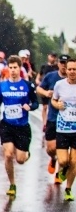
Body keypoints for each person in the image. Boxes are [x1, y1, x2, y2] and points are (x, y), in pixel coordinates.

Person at [0, 56, 38, 196]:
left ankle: (26, 154)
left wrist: (30, 106)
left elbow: (36, 103)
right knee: (8, 154)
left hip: (22, 126)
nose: (13, 70)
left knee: (20, 160)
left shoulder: (27, 85)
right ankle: (12, 184)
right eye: (11, 67)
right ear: (8, 69)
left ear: (20, 68)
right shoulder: (2, 85)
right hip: (7, 125)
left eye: (16, 67)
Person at [38, 55, 69, 183]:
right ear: (58, 64)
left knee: (64, 148)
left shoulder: (72, 78)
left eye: (66, 63)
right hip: (53, 117)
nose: (64, 65)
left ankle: (60, 172)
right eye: (62, 63)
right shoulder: (51, 76)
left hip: (68, 120)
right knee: (51, 148)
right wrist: (46, 93)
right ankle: (53, 158)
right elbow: (39, 88)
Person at [50, 56, 76, 201]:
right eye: (70, 69)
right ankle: (63, 170)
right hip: (63, 128)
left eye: (75, 69)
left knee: (74, 161)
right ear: (66, 70)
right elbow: (54, 100)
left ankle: (68, 189)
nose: (72, 72)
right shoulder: (59, 85)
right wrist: (57, 105)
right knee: (64, 160)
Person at [37, 52, 60, 125]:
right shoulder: (44, 66)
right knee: (45, 106)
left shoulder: (57, 67)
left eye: (54, 57)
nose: (53, 58)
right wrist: (39, 83)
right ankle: (44, 123)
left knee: (52, 106)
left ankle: (51, 121)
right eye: (51, 56)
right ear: (48, 56)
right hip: (45, 88)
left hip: (53, 88)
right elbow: (38, 77)